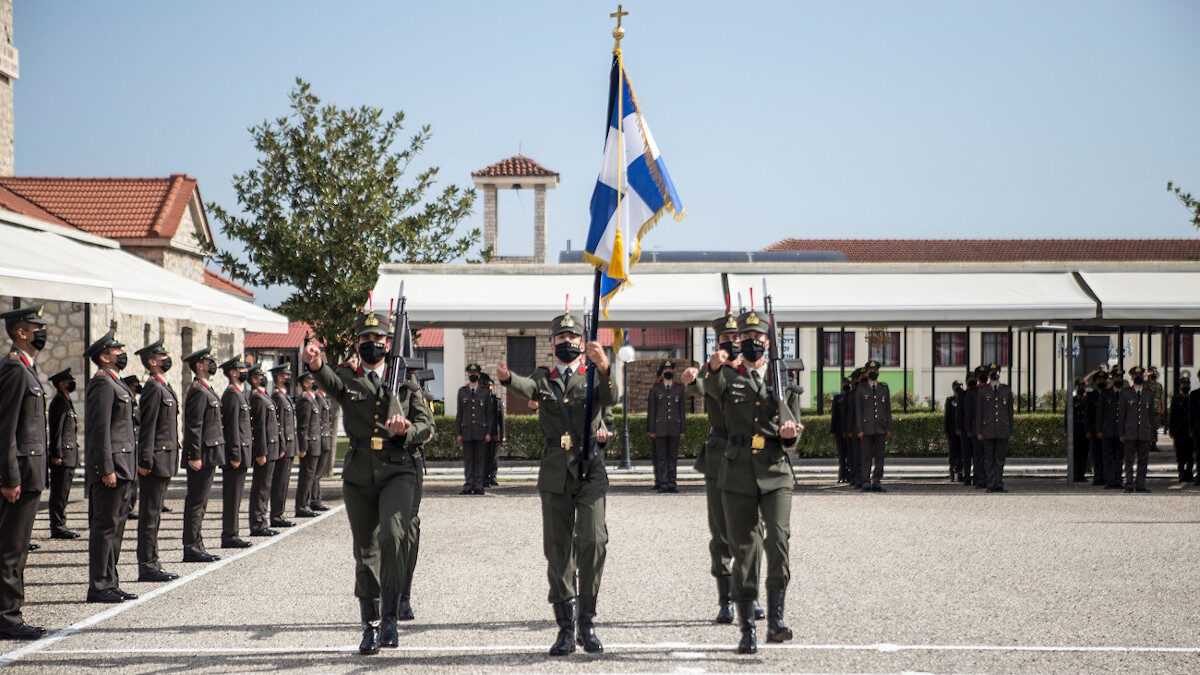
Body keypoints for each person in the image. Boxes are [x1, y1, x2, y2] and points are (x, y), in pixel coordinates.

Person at [303, 310, 433, 655]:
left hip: (398, 468)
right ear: (357, 343)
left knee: (393, 536)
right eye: (364, 339)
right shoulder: (347, 375)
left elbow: (427, 425)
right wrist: (316, 364)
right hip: (360, 472)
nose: (371, 344)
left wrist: (407, 432)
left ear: (389, 343)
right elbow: (327, 381)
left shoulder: (405, 378)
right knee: (366, 551)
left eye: (378, 340)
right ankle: (370, 624)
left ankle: (390, 618)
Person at [497, 312, 615, 656]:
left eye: (572, 338)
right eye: (560, 338)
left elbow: (613, 396)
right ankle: (565, 627)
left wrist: (604, 365)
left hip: (589, 467)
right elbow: (526, 386)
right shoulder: (544, 377)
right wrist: (507, 379)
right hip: (555, 471)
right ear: (552, 344)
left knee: (593, 541)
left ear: (583, 342)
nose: (567, 343)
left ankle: (587, 623)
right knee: (558, 549)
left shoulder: (594, 375)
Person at [701, 309, 802, 654]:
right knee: (744, 551)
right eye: (747, 339)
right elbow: (709, 387)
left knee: (777, 539)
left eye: (759, 339)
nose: (753, 343)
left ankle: (776, 621)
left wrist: (789, 435)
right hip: (738, 470)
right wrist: (713, 366)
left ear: (768, 342)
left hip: (775, 470)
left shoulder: (783, 378)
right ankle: (747, 629)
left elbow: (794, 432)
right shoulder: (728, 376)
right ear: (739, 342)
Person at [679, 313, 764, 626]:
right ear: (717, 343)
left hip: (752, 456)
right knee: (721, 532)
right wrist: (692, 378)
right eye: (724, 339)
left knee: (753, 530)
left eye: (734, 338)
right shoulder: (712, 369)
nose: (730, 344)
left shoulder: (755, 371)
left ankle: (750, 594)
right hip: (719, 457)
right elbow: (701, 387)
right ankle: (726, 599)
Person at [0, 305, 50, 638]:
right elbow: (5, 428)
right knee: (10, 548)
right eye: (37, 327)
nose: (42, 332)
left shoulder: (26, 369)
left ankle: (11, 613)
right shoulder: (15, 369)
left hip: (29, 471)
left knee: (17, 548)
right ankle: (7, 618)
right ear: (21, 332)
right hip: (18, 473)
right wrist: (8, 477)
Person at [83, 328, 138, 604]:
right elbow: (99, 429)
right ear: (104, 357)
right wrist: (106, 468)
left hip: (124, 464)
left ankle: (110, 580)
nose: (121, 353)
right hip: (112, 467)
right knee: (104, 527)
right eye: (117, 350)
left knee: (116, 527)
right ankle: (98, 584)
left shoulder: (115, 382)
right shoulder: (103, 383)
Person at [133, 339, 180, 582]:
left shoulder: (163, 386)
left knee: (155, 514)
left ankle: (152, 561)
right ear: (152, 362)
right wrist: (145, 459)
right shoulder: (153, 388)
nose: (166, 359)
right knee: (149, 515)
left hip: (165, 458)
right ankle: (148, 565)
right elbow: (147, 427)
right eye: (162, 356)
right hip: (155, 459)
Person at [181, 347, 223, 563]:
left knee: (202, 502)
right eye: (208, 361)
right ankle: (191, 547)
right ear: (199, 365)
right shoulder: (198, 390)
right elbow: (194, 426)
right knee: (196, 503)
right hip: (202, 454)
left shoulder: (206, 388)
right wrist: (194, 455)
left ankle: (197, 544)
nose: (212, 364)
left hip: (209, 453)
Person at [219, 356, 253, 549]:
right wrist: (234, 454)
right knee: (232, 496)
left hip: (242, 452)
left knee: (236, 495)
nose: (244, 372)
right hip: (236, 454)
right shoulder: (232, 395)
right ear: (232, 372)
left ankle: (233, 532)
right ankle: (229, 535)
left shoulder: (238, 393)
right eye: (240, 369)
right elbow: (231, 427)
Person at [47, 368, 80, 540]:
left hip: (69, 454)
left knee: (64, 492)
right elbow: (56, 430)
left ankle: (60, 523)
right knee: (59, 493)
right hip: (63, 455)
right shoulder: (59, 402)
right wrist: (56, 453)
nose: (72, 383)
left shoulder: (66, 401)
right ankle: (57, 525)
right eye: (69, 380)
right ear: (61, 384)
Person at [246, 365, 279, 537]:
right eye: (260, 376)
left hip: (271, 448)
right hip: (265, 450)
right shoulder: (257, 398)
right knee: (260, 487)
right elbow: (259, 428)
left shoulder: (263, 396)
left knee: (265, 487)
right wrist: (261, 452)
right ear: (253, 379)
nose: (263, 378)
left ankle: (261, 521)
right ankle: (257, 523)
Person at [647, 360, 686, 493]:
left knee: (673, 458)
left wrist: (683, 428)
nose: (668, 372)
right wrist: (651, 429)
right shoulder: (656, 389)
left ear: (673, 371)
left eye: (670, 369)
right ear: (662, 372)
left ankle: (672, 483)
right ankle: (663, 483)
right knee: (662, 457)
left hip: (675, 428)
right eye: (666, 370)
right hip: (660, 428)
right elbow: (652, 410)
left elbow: (682, 410)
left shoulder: (679, 389)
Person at [853, 359, 891, 492]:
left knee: (880, 456)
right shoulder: (861, 389)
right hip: (866, 429)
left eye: (875, 371)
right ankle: (866, 482)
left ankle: (877, 481)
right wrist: (859, 429)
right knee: (866, 456)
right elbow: (858, 411)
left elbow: (887, 409)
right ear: (867, 373)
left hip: (881, 428)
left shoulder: (883, 388)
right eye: (871, 371)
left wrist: (888, 427)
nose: (873, 372)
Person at [975, 363, 1013, 493]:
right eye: (992, 372)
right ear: (989, 374)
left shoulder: (1006, 390)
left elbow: (1010, 413)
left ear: (1000, 373)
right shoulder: (983, 390)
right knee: (989, 458)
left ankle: (999, 484)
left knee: (1000, 459)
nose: (994, 374)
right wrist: (978, 431)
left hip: (1002, 430)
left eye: (996, 372)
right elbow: (978, 413)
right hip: (988, 430)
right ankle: (990, 484)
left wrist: (1010, 431)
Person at [455, 363, 493, 495]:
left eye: (475, 374)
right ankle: (468, 485)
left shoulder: (485, 392)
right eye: (470, 374)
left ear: (478, 375)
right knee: (468, 460)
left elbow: (489, 414)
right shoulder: (462, 391)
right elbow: (459, 414)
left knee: (479, 459)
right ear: (468, 375)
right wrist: (458, 432)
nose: (472, 376)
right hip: (466, 431)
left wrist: (489, 432)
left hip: (480, 431)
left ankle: (478, 485)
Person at [269, 364, 298, 529]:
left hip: (289, 444)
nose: (288, 378)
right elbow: (278, 425)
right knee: (279, 482)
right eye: (286, 375)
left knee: (284, 481)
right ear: (279, 377)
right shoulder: (278, 398)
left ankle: (279, 513)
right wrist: (281, 445)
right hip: (283, 445)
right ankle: (276, 515)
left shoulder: (284, 396)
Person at [1118, 365, 1154, 493]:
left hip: (1144, 432)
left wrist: (1151, 432)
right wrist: (1121, 432)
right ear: (1132, 378)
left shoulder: (1148, 393)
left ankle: (1140, 485)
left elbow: (1151, 415)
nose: (1138, 377)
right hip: (1130, 432)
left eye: (1140, 375)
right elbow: (1122, 415)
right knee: (1129, 461)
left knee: (1143, 460)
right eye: (1136, 376)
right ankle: (1129, 483)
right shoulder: (1126, 393)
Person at [293, 371, 321, 518]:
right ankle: (302, 506)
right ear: (304, 384)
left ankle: (306, 504)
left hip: (314, 444)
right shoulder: (305, 401)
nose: (313, 381)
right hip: (309, 445)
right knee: (306, 477)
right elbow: (303, 426)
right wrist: (303, 446)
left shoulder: (311, 399)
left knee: (310, 477)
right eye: (310, 380)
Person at [1096, 367, 1124, 490]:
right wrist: (1099, 430)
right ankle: (1110, 481)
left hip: (1121, 432)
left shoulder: (1125, 393)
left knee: (1119, 457)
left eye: (1120, 377)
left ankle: (1118, 480)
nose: (1118, 379)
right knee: (1108, 457)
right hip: (1107, 431)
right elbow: (1099, 413)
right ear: (1112, 379)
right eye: (1116, 377)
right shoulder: (1105, 393)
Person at [122, 374, 142, 521]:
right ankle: (127, 508)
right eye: (135, 385)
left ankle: (130, 507)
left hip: (136, 443)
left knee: (135, 480)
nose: (138, 387)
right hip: (130, 443)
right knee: (131, 479)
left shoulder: (134, 401)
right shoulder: (128, 402)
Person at [311, 383, 334, 511]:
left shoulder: (324, 398)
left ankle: (317, 498)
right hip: (320, 439)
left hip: (325, 439)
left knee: (318, 473)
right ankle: (314, 499)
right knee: (316, 473)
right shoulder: (318, 399)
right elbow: (317, 421)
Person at [1083, 368, 1107, 486]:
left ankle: (1106, 477)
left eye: (1103, 379)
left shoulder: (1109, 394)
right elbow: (1087, 414)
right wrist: (1087, 430)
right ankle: (1098, 477)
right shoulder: (1091, 396)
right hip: (1093, 430)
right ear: (1095, 381)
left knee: (1106, 455)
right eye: (1099, 379)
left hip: (1107, 430)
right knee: (1096, 455)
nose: (1101, 381)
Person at [1168, 374, 1192, 482]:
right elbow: (1172, 416)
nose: (1185, 386)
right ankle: (1181, 473)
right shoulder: (1176, 399)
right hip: (1179, 431)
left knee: (1190, 454)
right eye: (1183, 384)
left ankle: (1189, 473)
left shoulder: (1192, 398)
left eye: (1187, 384)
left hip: (1190, 431)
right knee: (1180, 455)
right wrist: (1172, 432)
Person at [482, 373, 504, 487]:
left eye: (491, 386)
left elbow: (502, 420)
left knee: (494, 457)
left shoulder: (498, 401)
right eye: (487, 386)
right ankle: (484, 478)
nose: (489, 388)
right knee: (485, 457)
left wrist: (503, 435)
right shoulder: (481, 401)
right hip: (485, 434)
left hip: (496, 434)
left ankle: (493, 477)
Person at [957, 371, 978, 486]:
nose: (971, 380)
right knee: (966, 454)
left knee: (977, 455)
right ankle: (967, 477)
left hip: (976, 429)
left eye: (973, 378)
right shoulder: (962, 394)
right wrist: (959, 428)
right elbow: (959, 412)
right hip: (965, 429)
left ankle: (976, 476)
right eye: (970, 378)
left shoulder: (980, 392)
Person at [1068, 379, 1088, 482]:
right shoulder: (1072, 400)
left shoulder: (1087, 400)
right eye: (1079, 386)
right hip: (1075, 431)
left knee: (1084, 454)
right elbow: (1066, 417)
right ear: (1076, 387)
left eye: (1082, 386)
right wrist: (1067, 431)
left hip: (1084, 431)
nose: (1080, 388)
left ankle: (1082, 474)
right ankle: (1075, 474)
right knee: (1075, 454)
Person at [831, 377, 849, 483]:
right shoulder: (837, 398)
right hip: (839, 430)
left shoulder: (851, 396)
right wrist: (833, 430)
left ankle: (849, 474)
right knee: (842, 454)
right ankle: (842, 475)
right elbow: (835, 415)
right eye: (844, 383)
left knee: (850, 455)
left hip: (851, 430)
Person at [944, 381, 963, 483]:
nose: (958, 389)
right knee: (953, 451)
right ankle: (952, 469)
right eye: (957, 387)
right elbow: (947, 416)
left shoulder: (964, 398)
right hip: (952, 430)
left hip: (961, 430)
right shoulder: (950, 400)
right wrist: (946, 431)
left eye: (960, 387)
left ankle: (960, 471)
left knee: (961, 452)